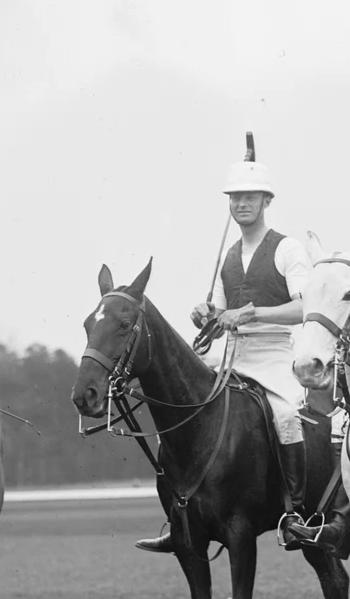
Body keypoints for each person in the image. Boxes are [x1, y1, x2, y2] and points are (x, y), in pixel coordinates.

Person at [134, 157, 313, 553]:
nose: (241, 204)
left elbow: (305, 307)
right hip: (231, 356)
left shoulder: (288, 248)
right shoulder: (229, 256)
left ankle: (296, 513)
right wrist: (205, 314)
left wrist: (252, 313)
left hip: (272, 355)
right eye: (235, 197)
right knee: (186, 413)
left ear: (266, 200)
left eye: (249, 197)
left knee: (286, 416)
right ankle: (179, 518)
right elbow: (218, 314)